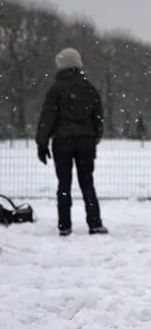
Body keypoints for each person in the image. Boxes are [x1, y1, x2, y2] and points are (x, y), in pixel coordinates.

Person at [35, 48, 108, 237]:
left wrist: (42, 143)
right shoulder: (89, 88)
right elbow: (98, 116)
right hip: (85, 141)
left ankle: (65, 224)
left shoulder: (55, 89)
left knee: (64, 184)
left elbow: (47, 118)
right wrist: (94, 137)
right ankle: (95, 223)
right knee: (87, 182)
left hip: (62, 141)